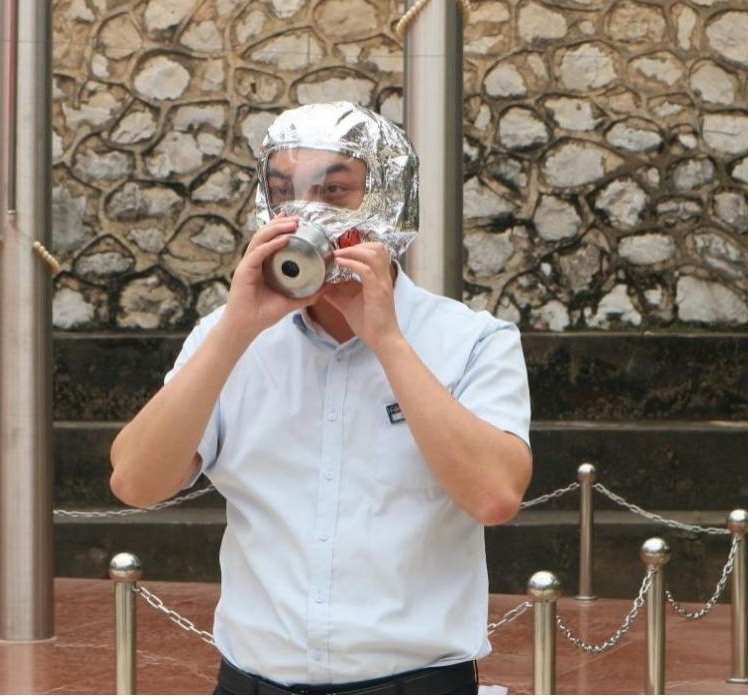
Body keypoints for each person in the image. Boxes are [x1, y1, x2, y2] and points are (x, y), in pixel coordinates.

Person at [109, 102, 532, 695]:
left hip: (414, 683)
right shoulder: (226, 340)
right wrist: (235, 329)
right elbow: (134, 482)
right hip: (253, 682)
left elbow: (495, 496)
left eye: (334, 192)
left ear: (385, 203)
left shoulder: (471, 340)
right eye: (284, 192)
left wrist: (386, 340)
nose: (305, 212)